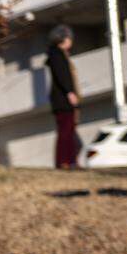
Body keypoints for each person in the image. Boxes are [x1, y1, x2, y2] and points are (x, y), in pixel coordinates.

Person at [46, 24, 81, 169]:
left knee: (68, 130)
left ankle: (70, 160)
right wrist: (70, 92)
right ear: (64, 39)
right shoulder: (57, 55)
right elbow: (62, 76)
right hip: (62, 99)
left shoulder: (59, 55)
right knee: (65, 131)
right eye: (69, 38)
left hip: (62, 98)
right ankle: (64, 161)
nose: (71, 41)